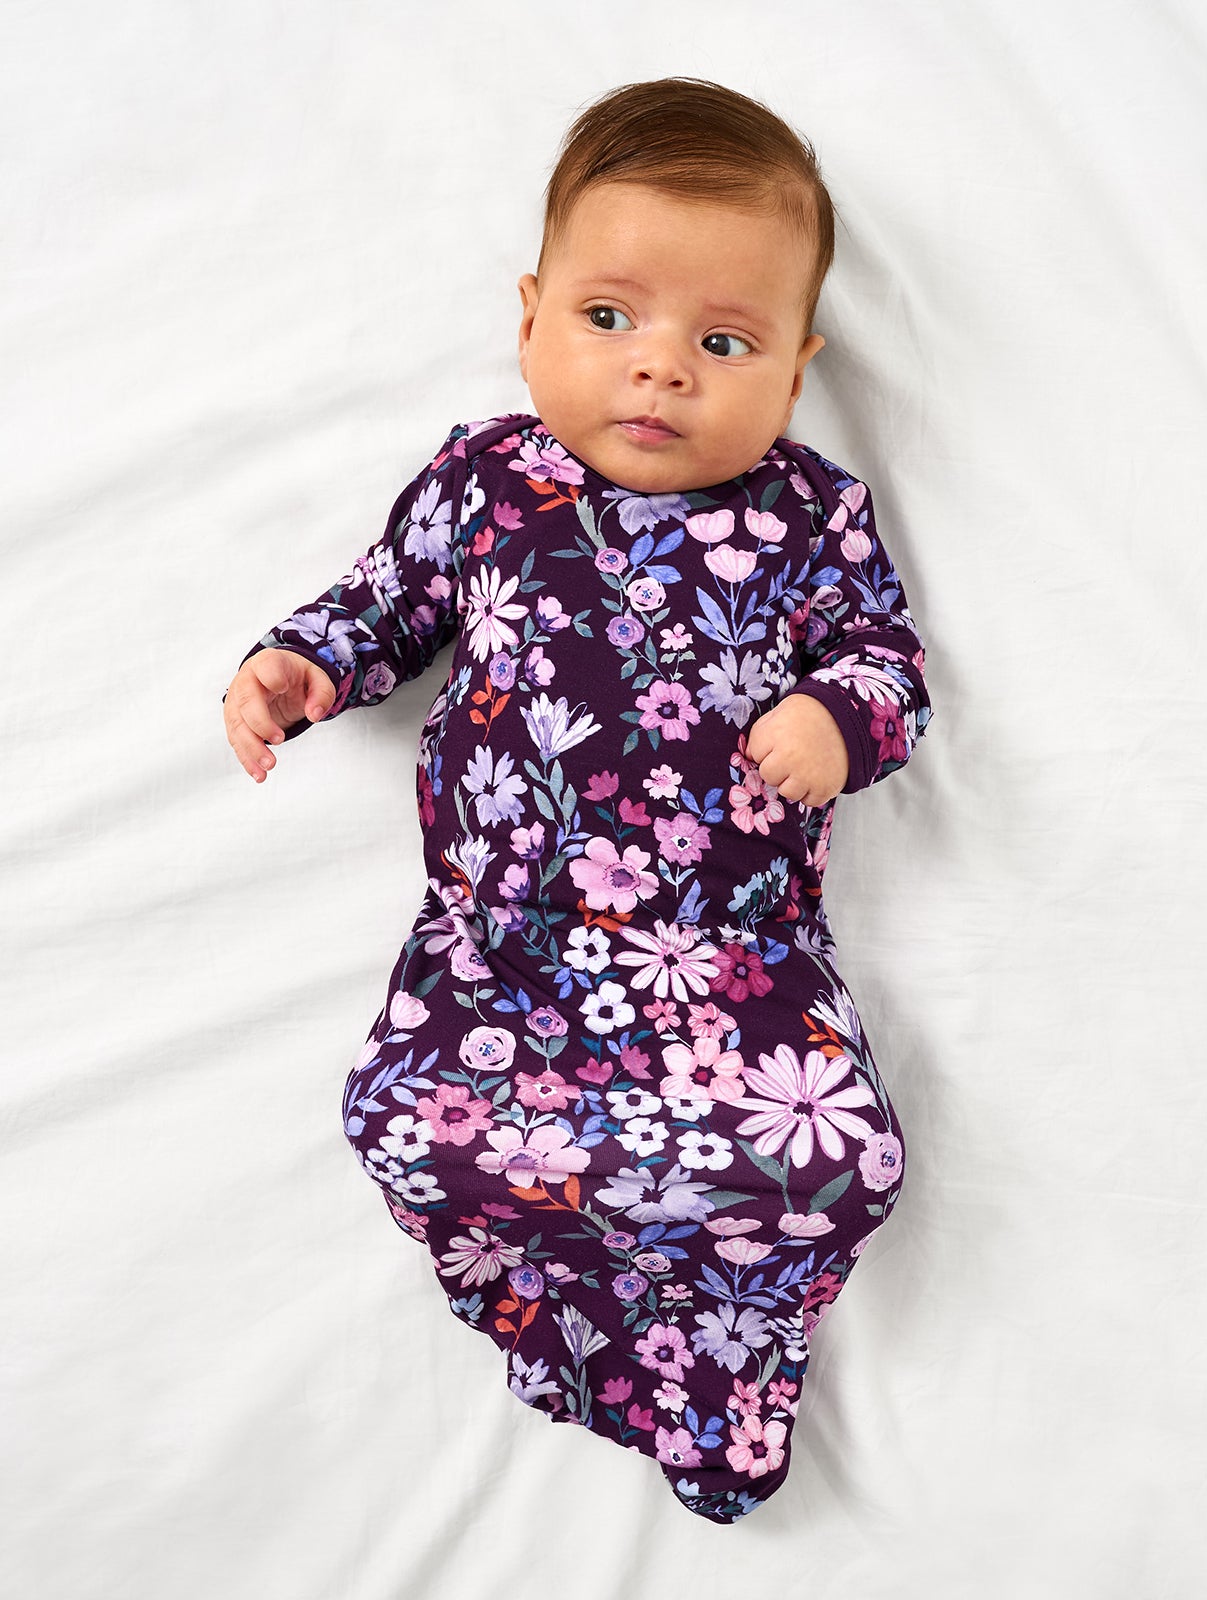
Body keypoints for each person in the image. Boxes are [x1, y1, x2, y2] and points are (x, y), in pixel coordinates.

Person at [222, 77, 934, 1525]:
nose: (659, 369)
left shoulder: (809, 515)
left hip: (728, 953)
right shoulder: (489, 480)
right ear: (531, 315)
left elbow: (890, 665)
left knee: (841, 1158)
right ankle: (581, 1325)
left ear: (793, 375)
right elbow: (388, 602)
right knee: (407, 1123)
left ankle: (713, 1362)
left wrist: (836, 717)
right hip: (507, 941)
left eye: (721, 342)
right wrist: (302, 665)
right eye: (611, 320)